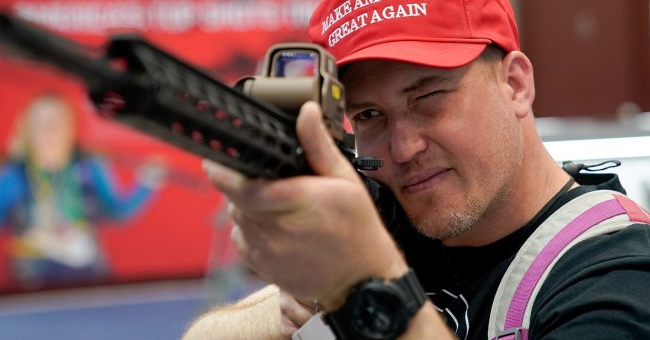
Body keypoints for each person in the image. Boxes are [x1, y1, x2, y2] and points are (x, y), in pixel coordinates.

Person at [183, 0, 650, 339]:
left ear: (515, 85)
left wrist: (363, 283)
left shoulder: (619, 277)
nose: (403, 148)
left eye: (428, 99)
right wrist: (291, 308)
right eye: (368, 116)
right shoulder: (396, 219)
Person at [0, 92, 165, 287]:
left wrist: (147, 183)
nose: (49, 131)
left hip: (87, 268)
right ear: (27, 130)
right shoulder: (12, 174)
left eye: (56, 122)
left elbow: (117, 211)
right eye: (41, 124)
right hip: (33, 272)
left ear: (70, 128)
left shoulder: (90, 166)